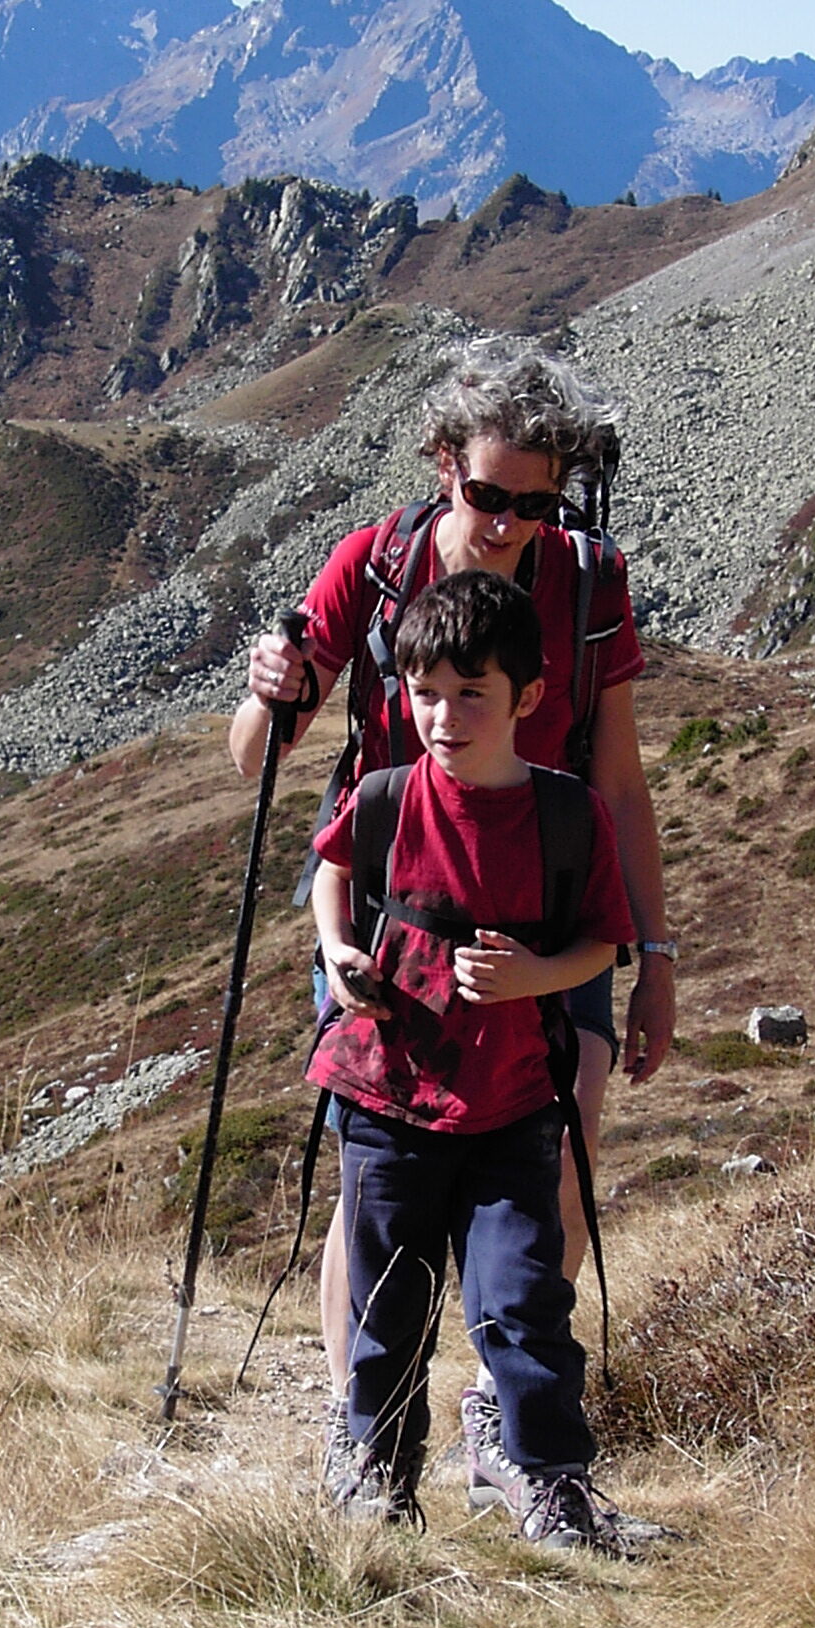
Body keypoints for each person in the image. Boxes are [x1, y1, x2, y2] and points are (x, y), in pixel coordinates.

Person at [228, 338, 676, 1509]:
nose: (512, 523)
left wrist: (656, 958)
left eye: (539, 501)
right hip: (390, 904)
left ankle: (505, 1416)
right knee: (376, 1177)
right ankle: (362, 1429)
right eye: (489, 496)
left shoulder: (589, 583)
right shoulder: (372, 570)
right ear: (443, 467)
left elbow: (620, 782)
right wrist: (269, 689)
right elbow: (254, 760)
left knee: (555, 1158)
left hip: (545, 898)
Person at [307, 570, 634, 1544]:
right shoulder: (385, 798)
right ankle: (377, 1476)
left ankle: (545, 1480)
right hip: (384, 1097)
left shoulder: (569, 817)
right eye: (425, 693)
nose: (443, 716)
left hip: (512, 1111)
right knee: (384, 1304)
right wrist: (338, 950)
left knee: (523, 1301)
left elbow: (601, 943)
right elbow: (332, 871)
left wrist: (537, 978)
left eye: (471, 693)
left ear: (528, 696)